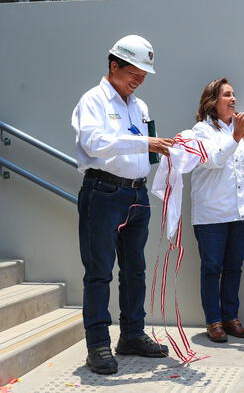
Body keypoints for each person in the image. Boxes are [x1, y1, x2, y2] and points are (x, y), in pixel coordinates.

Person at [71, 35, 174, 374]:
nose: (139, 81)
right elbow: (95, 142)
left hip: (136, 195)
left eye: (144, 76)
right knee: (99, 272)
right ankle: (98, 344)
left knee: (135, 271)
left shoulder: (138, 106)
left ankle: (132, 334)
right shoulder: (93, 100)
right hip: (103, 193)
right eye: (135, 73)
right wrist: (146, 142)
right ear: (114, 65)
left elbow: (142, 148)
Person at [191, 78, 244, 343]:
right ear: (213, 101)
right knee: (212, 268)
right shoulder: (200, 131)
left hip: (243, 210)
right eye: (227, 95)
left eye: (234, 94)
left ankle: (231, 317)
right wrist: (235, 137)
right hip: (212, 214)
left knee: (234, 267)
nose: (234, 99)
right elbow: (212, 160)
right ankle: (213, 321)